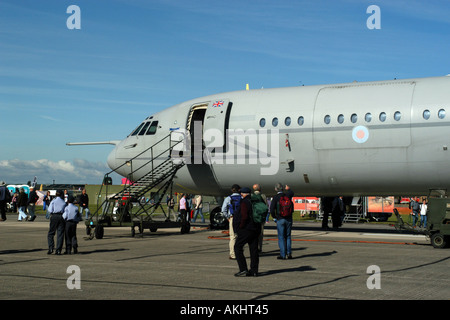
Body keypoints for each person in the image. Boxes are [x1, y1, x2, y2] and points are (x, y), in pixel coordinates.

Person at [233, 187, 261, 277]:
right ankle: (254, 270)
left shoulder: (244, 202)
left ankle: (243, 269)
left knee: (237, 247)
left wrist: (240, 226)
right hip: (256, 228)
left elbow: (244, 216)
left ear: (242, 194)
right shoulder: (255, 201)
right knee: (254, 250)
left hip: (246, 229)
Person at [270, 183, 293, 260]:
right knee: (288, 236)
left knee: (281, 237)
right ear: (282, 189)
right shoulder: (287, 195)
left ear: (276, 189)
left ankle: (283, 255)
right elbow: (292, 193)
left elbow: (272, 209)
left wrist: (274, 217)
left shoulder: (276, 197)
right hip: (289, 219)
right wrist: (288, 189)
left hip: (280, 219)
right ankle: (289, 253)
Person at [221, 184, 241, 260]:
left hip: (232, 217)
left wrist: (228, 217)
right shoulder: (242, 198)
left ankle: (233, 254)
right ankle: (239, 253)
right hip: (241, 218)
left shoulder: (228, 198)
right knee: (240, 236)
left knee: (233, 237)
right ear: (239, 190)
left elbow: (223, 209)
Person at [47, 190, 67, 255]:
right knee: (60, 234)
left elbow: (50, 210)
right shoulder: (63, 202)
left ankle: (51, 248)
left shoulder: (53, 201)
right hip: (61, 216)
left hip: (54, 216)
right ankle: (58, 250)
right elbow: (65, 211)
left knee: (51, 233)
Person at [252, 184, 267, 253]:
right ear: (260, 189)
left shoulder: (251, 196)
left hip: (253, 217)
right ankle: (259, 248)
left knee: (253, 233)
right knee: (260, 233)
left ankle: (253, 247)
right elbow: (266, 206)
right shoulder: (263, 196)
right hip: (261, 217)